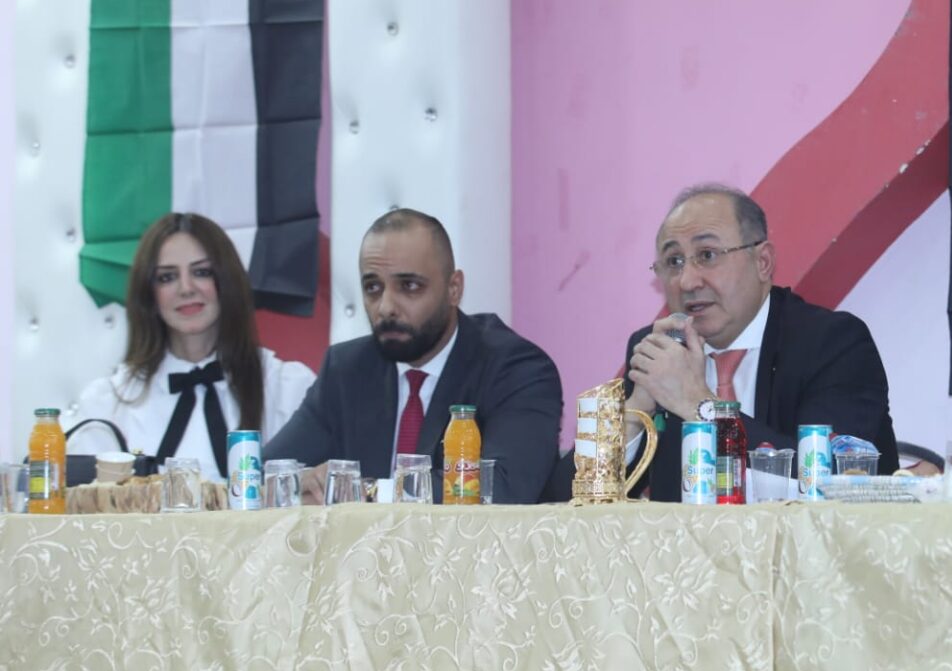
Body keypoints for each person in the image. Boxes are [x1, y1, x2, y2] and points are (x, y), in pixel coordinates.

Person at [621, 184, 900, 501]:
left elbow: (833, 483)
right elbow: (576, 498)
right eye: (673, 261)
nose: (687, 281)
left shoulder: (832, 343)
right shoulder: (660, 350)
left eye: (707, 255)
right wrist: (634, 415)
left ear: (763, 262)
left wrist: (699, 406)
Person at [267, 208, 563, 504]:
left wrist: (363, 491)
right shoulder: (346, 370)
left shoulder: (516, 369)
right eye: (373, 287)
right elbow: (260, 477)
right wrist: (300, 482)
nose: (386, 307)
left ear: (454, 289)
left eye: (409, 286)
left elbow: (502, 489)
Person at [74, 213, 316, 479]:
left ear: (228, 281)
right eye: (167, 277)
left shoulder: (286, 388)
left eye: (201, 272)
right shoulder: (108, 404)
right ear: (148, 293)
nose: (186, 289)